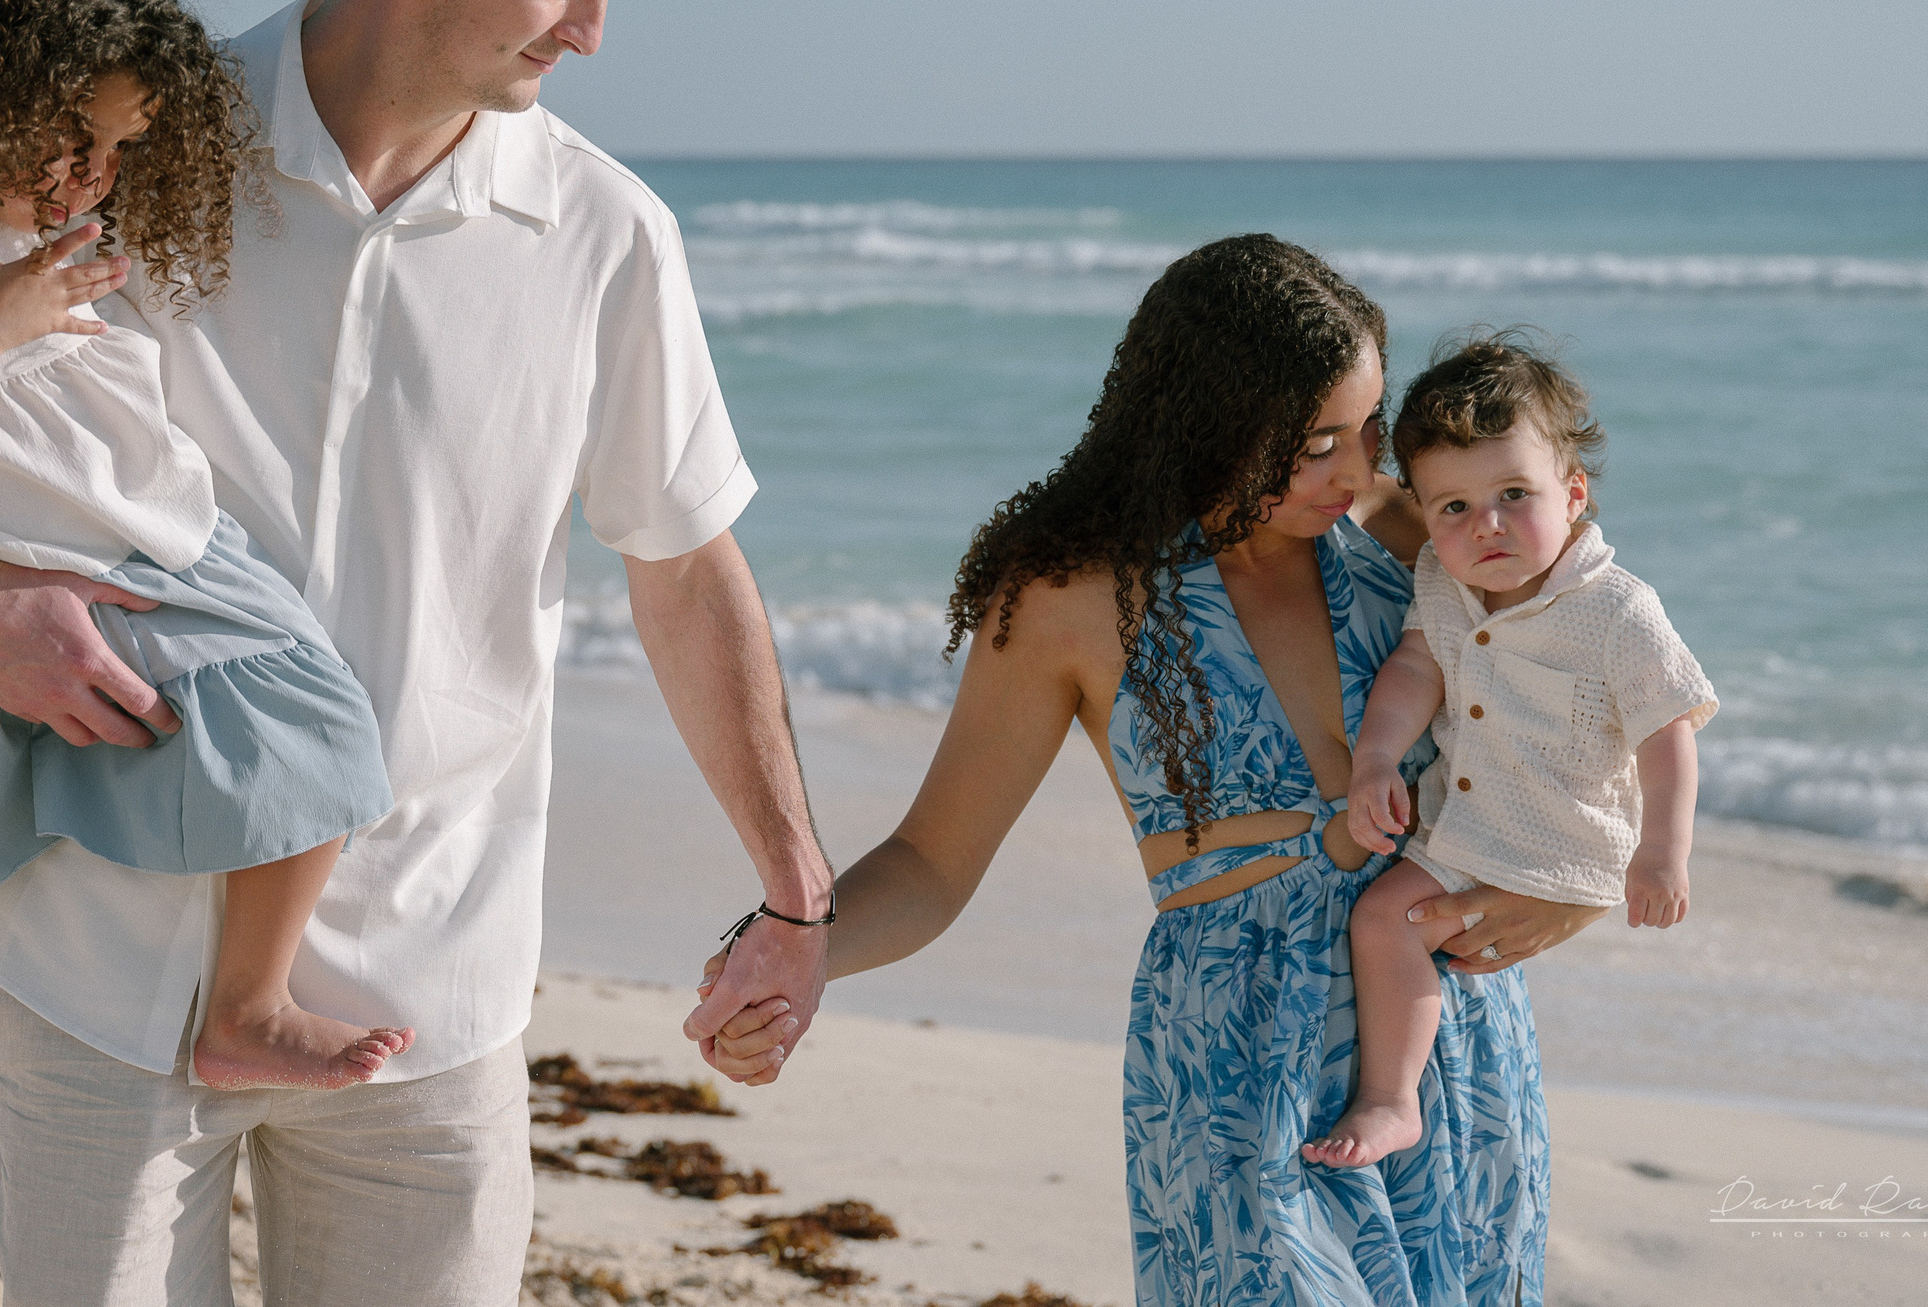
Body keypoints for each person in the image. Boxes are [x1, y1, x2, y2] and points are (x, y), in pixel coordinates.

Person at [0, 0, 832, 1306]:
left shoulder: (605, 236)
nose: (596, 31)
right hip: (100, 944)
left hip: (430, 980)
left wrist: (791, 887)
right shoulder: (127, 145)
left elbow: (684, 563)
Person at [700, 236, 1600, 1306]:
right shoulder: (1072, 596)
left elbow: (1596, 701)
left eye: (1365, 430)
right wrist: (799, 951)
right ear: (1207, 422)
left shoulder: (1417, 533)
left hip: (1442, 1033)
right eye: (1314, 443)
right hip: (1233, 1059)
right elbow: (933, 860)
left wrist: (1572, 893)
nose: (1355, 471)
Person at [0, 0, 408, 1094]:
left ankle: (236, 1000)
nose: (102, 175)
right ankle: (245, 1006)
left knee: (304, 721)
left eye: (125, 149)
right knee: (314, 714)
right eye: (85, 137)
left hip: (130, 523)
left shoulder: (33, 222)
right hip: (52, 538)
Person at [1300, 333, 1711, 1170]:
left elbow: (1667, 730)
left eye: (1513, 494)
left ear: (1574, 491)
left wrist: (1663, 854)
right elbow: (1416, 668)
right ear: (1421, 508)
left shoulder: (1615, 608)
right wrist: (1376, 760)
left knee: (1409, 924)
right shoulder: (1443, 587)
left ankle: (1394, 1096)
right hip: (1473, 829)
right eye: (1452, 507)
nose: (1484, 525)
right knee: (1386, 923)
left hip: (1570, 843)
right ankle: (1391, 1100)